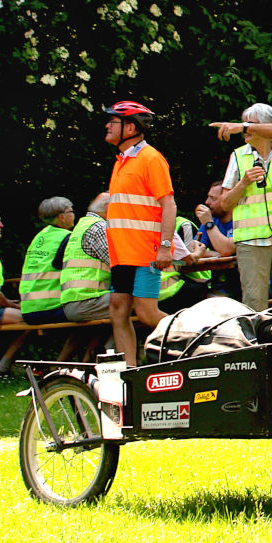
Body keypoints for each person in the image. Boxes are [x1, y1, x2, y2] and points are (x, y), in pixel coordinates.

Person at [102, 100, 175, 367]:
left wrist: (165, 247)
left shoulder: (151, 158)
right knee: (118, 310)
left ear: (130, 127)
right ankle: (129, 373)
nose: (107, 125)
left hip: (145, 252)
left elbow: (168, 204)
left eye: (113, 121)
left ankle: (196, 336)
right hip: (121, 255)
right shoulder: (121, 161)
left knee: (146, 313)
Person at [220, 103, 272, 310]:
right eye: (244, 123)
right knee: (253, 301)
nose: (245, 128)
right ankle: (256, 341)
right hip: (250, 241)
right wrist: (243, 183)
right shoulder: (238, 156)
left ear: (268, 128)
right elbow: (224, 203)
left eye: (251, 124)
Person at [18, 196, 75, 325]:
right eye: (71, 212)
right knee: (88, 313)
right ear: (62, 217)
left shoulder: (39, 237)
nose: (73, 215)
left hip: (28, 309)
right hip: (51, 307)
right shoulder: (66, 238)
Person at [59, 193, 114, 323]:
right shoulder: (100, 227)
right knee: (143, 299)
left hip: (74, 301)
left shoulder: (83, 225)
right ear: (109, 208)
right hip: (89, 301)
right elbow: (120, 266)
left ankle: (108, 344)